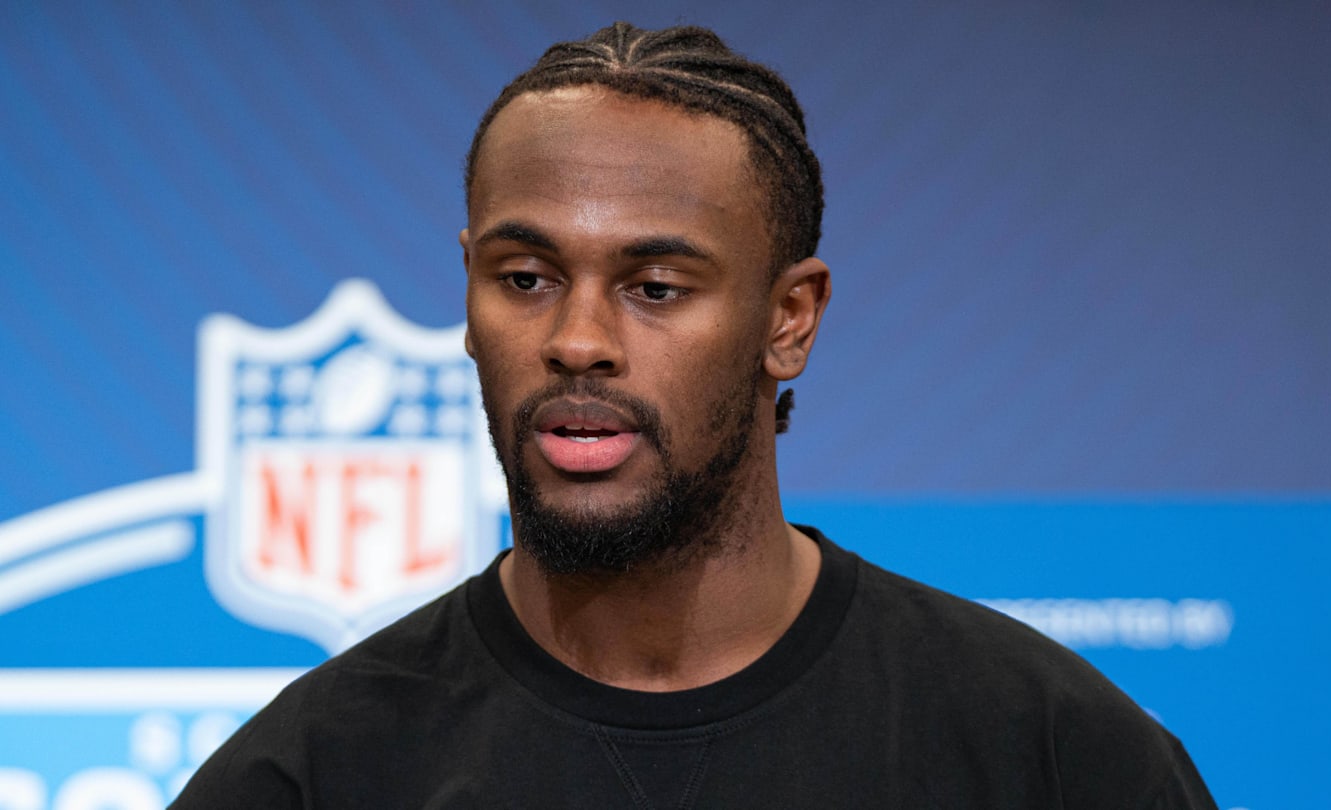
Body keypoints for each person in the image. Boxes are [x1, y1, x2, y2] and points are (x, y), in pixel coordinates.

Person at [173, 22, 1217, 809]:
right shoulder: (306, 779)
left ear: (790, 319)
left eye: (656, 286)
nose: (577, 339)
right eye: (526, 276)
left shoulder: (1052, 755)